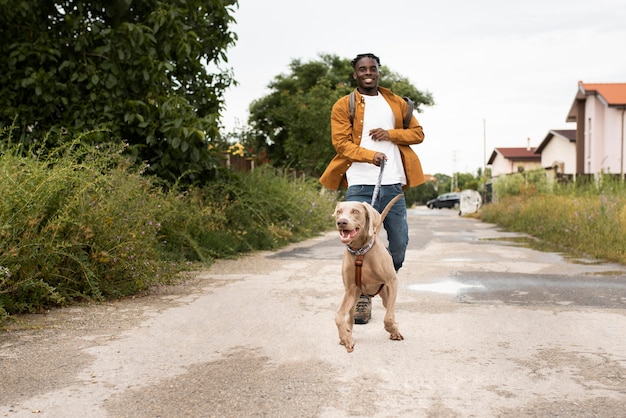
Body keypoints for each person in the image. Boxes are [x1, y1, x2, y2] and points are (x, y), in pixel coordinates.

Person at [319, 53, 425, 324]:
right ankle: (362, 297)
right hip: (359, 183)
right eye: (362, 69)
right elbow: (341, 144)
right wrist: (370, 155)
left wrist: (390, 135)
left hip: (393, 183)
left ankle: (380, 283)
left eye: (372, 68)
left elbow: (418, 134)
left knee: (399, 244)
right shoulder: (344, 105)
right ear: (355, 74)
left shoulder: (397, 103)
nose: (368, 72)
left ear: (379, 71)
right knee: (357, 244)